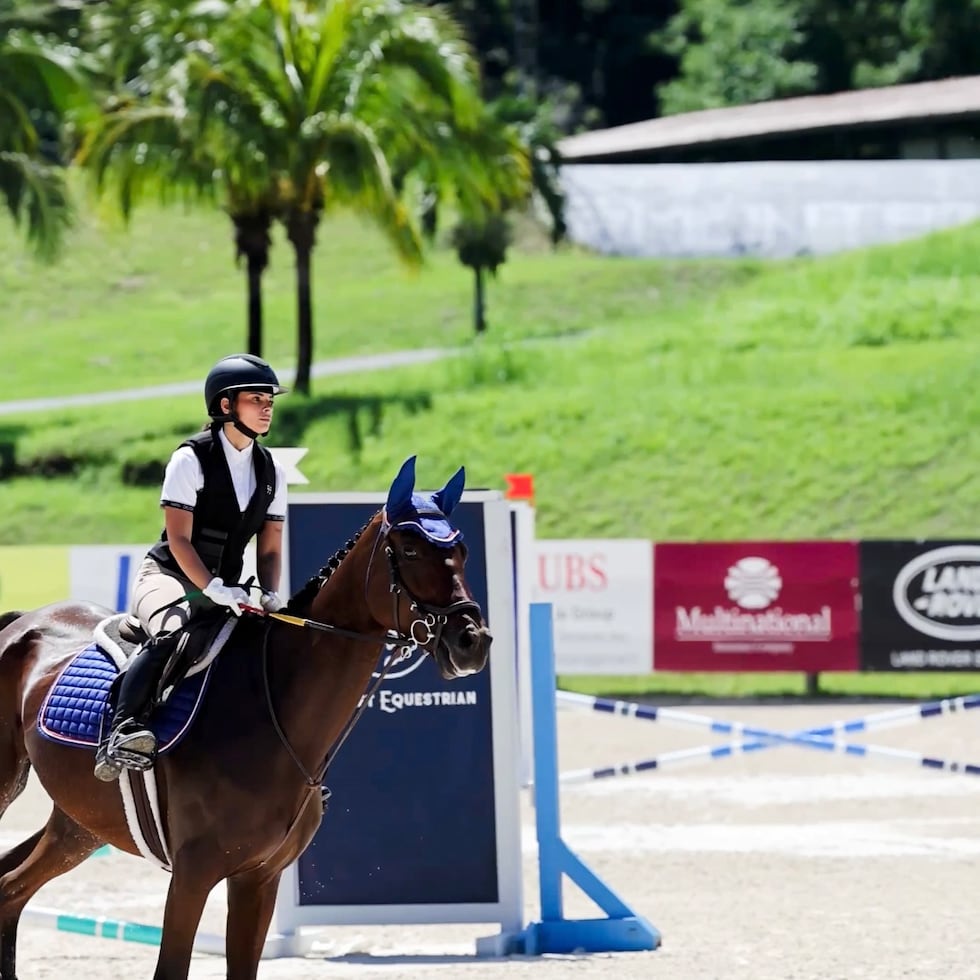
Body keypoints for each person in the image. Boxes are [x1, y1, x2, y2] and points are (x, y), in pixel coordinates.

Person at [94, 353, 290, 782]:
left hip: (229, 588)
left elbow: (270, 543)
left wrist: (272, 591)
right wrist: (213, 587)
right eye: (255, 399)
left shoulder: (271, 469)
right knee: (174, 631)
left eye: (269, 400)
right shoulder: (190, 459)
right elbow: (179, 539)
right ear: (225, 406)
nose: (267, 407)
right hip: (169, 577)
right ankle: (123, 729)